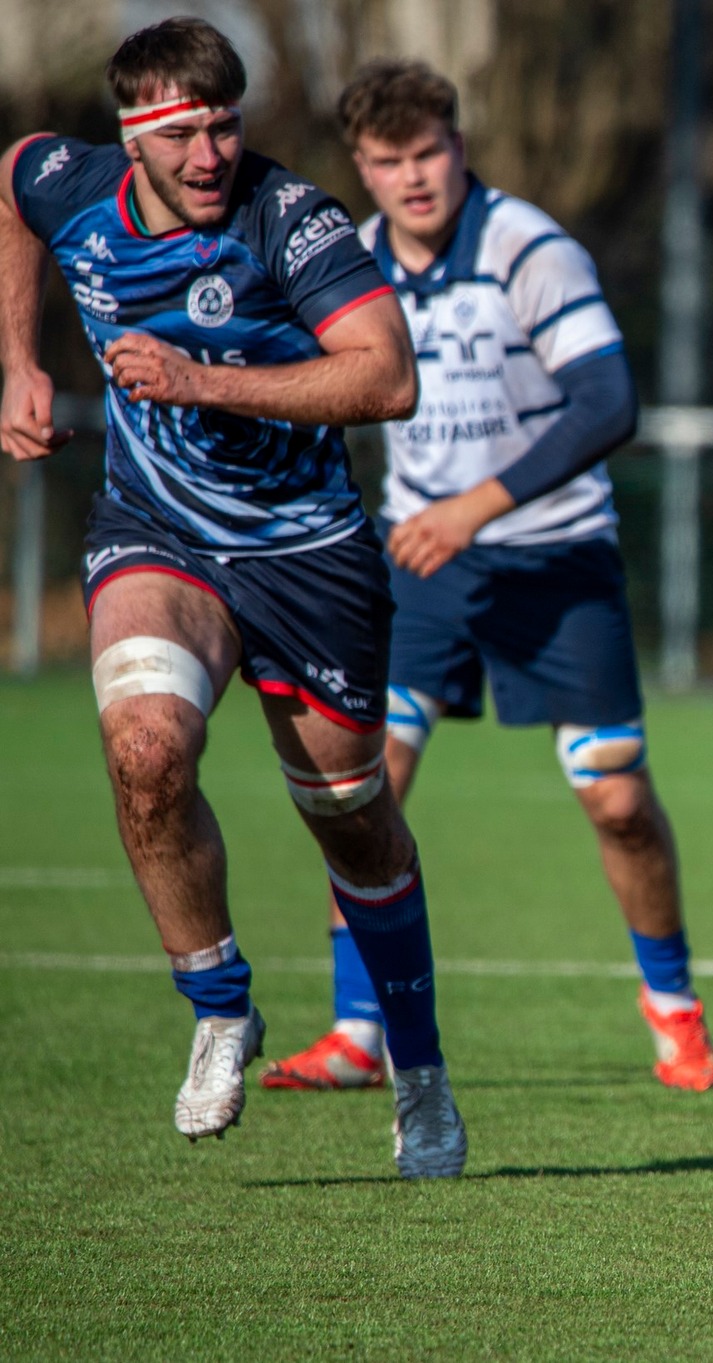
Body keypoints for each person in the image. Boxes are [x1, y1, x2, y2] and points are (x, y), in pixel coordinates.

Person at [0, 18, 464, 1175]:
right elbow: (10, 184)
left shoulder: (288, 219)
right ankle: (218, 1004)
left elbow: (388, 377)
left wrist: (201, 379)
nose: (210, 155)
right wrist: (20, 363)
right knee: (146, 749)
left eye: (225, 126)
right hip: (158, 537)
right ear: (131, 138)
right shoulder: (74, 189)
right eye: (183, 135)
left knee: (352, 817)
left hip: (308, 555)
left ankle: (419, 1075)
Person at [256, 62, 713, 1095]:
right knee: (360, 787)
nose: (413, 177)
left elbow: (607, 401)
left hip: (555, 557)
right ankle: (357, 1031)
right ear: (362, 169)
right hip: (419, 568)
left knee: (615, 798)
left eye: (428, 152)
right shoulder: (352, 262)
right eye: (388, 161)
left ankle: (675, 1015)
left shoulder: (528, 248)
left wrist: (474, 508)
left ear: (459, 146)